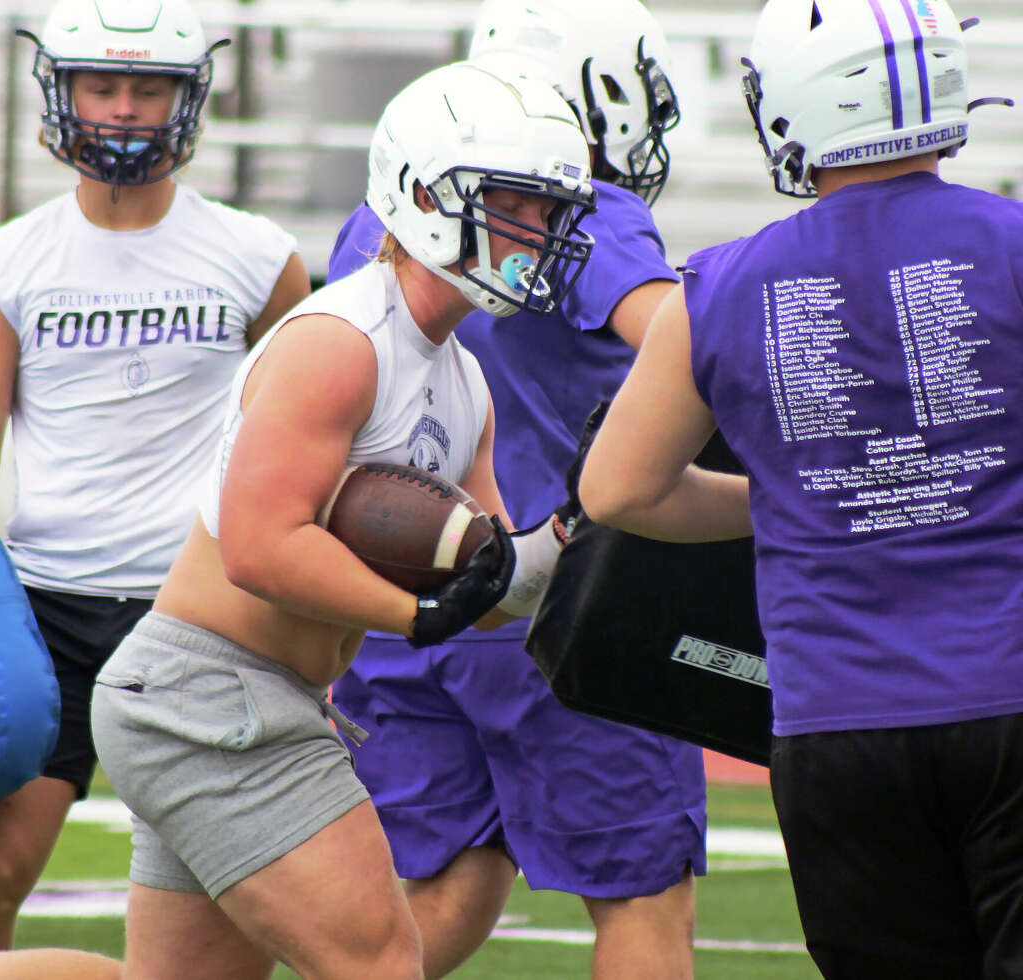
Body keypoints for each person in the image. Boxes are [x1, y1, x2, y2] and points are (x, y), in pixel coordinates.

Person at [81, 60, 597, 980]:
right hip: (215, 692)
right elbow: (260, 546)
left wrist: (583, 536)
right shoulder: (341, 341)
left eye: (550, 212)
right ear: (429, 194)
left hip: (234, 695)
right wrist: (415, 615)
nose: (541, 233)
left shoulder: (463, 376)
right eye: (520, 205)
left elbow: (486, 583)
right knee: (383, 964)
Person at [578, 1, 1022, 977]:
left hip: (837, 718)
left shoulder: (722, 283)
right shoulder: (1013, 242)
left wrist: (805, 500)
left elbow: (619, 490)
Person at [0, 0, 309, 955]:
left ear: (188, 99)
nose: (126, 109)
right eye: (104, 85)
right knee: (0, 866)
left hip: (201, 613)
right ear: (63, 91)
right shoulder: (7, 262)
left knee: (225, 880)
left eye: (149, 88)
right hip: (46, 612)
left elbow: (308, 435)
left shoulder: (259, 258)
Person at [326, 3, 706, 976]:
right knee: (642, 897)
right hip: (559, 601)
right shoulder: (584, 207)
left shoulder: (382, 215)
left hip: (407, 597)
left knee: (448, 884)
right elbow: (685, 340)